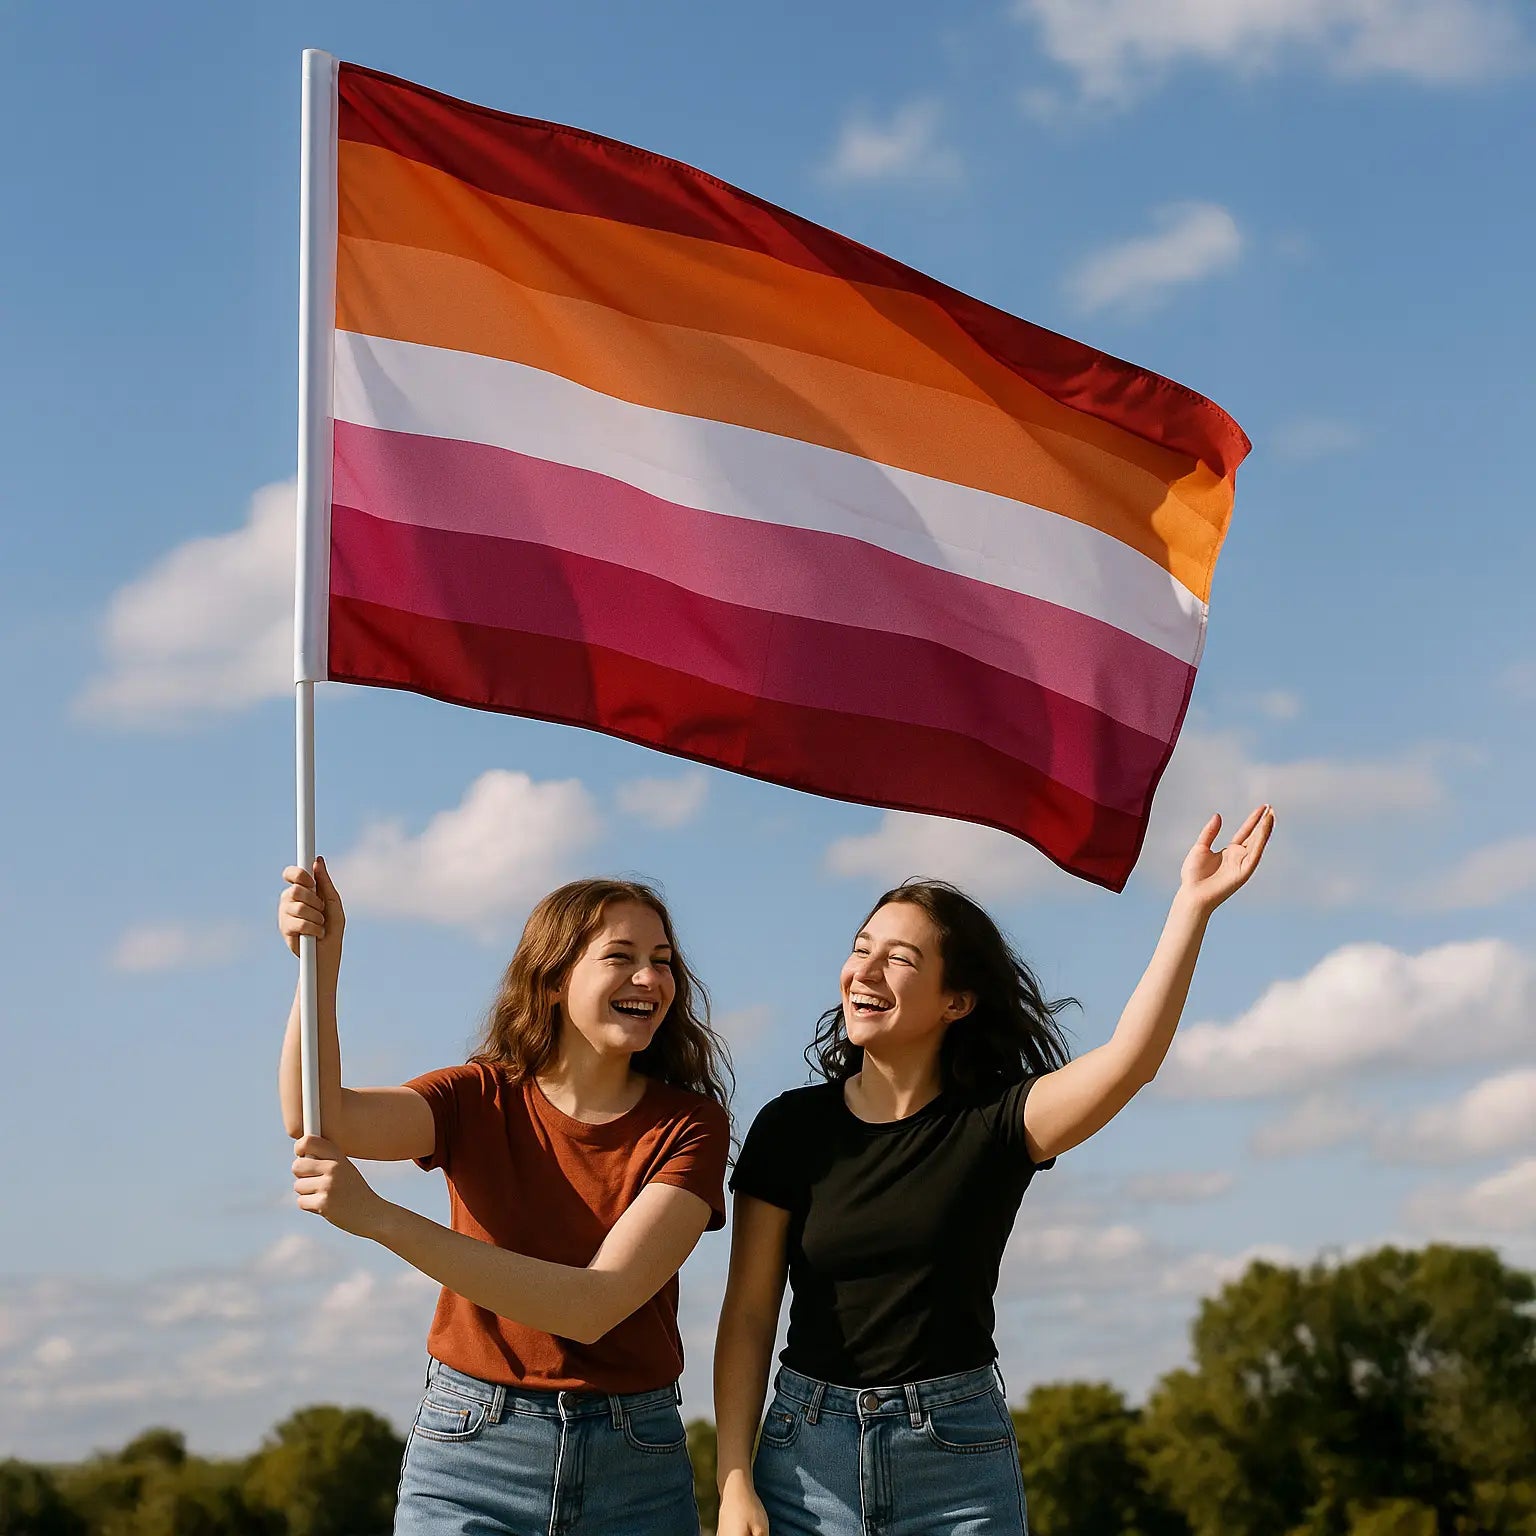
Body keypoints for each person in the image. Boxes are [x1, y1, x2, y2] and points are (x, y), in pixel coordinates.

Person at [714, 805, 1275, 1536]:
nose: (866, 971)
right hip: (804, 1457)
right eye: (862, 948)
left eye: (901, 959)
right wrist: (733, 1482)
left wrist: (1191, 908)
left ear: (957, 1002)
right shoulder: (789, 1128)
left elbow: (1131, 1061)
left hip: (954, 1462)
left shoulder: (999, 1125)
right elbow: (751, 1315)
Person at [276, 859, 732, 1536]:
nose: (650, 978)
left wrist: (379, 1219)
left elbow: (591, 1306)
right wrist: (320, 962)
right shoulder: (475, 1097)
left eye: (661, 960)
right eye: (622, 957)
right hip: (471, 1451)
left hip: (634, 1465)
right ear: (552, 981)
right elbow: (323, 1116)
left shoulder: (689, 1126)